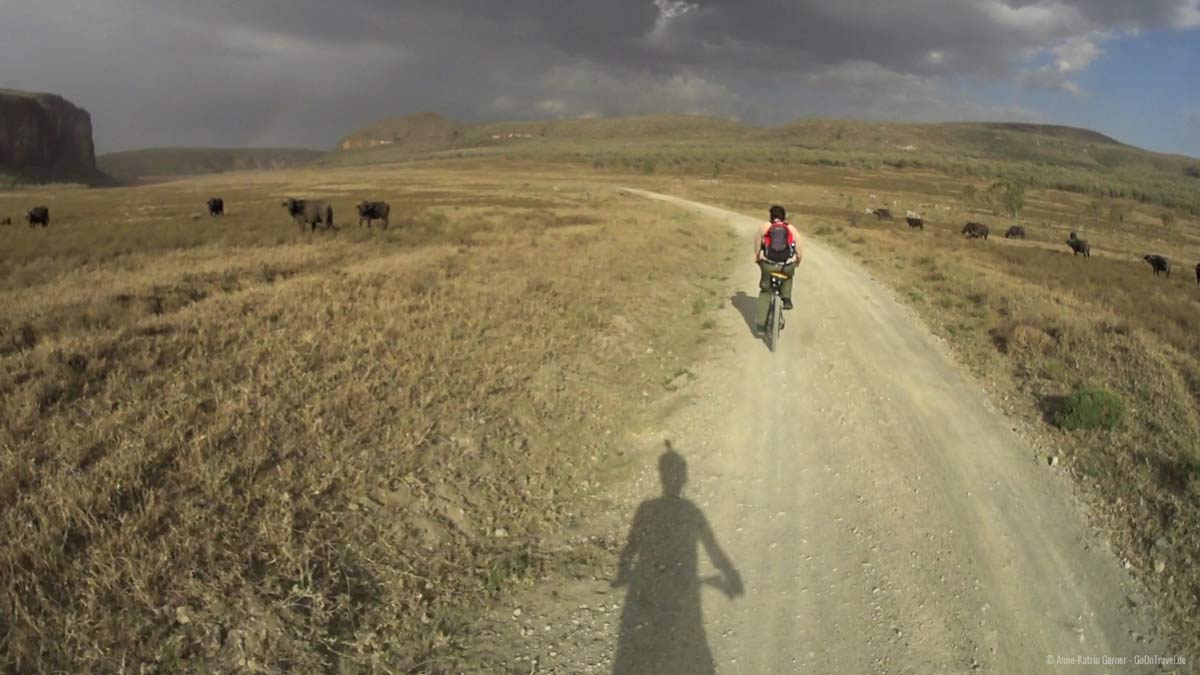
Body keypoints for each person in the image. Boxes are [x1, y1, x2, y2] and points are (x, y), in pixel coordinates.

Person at [755, 205, 803, 332]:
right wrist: (797, 261)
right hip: (786, 266)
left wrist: (759, 260)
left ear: (771, 216)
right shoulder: (791, 228)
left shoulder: (764, 227)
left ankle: (761, 322)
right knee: (789, 276)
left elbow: (757, 248)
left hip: (768, 264)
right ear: (783, 216)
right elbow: (799, 248)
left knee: (765, 290)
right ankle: (786, 298)